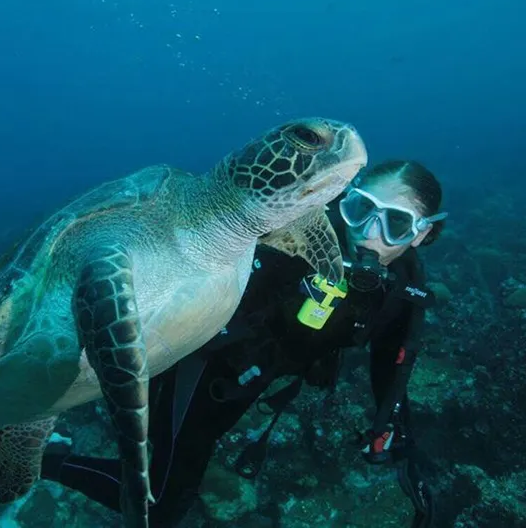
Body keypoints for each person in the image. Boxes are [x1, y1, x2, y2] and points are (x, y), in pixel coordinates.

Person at [39, 160, 448, 527]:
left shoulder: (404, 288)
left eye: (395, 224)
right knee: (161, 505)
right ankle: (44, 462)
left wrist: (392, 429)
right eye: (360, 209)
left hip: (254, 376)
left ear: (422, 233)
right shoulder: (298, 234)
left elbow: (393, 359)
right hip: (204, 363)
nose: (368, 232)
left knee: (174, 472)